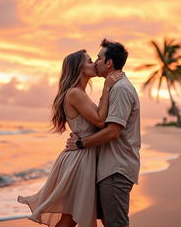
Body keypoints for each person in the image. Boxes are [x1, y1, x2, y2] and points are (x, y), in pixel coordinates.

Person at [17, 49, 122, 227]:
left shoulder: (81, 94)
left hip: (84, 156)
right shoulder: (74, 93)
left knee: (71, 217)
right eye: (90, 61)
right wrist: (107, 87)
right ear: (79, 68)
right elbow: (100, 120)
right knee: (72, 217)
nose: (95, 64)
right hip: (79, 160)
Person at [66, 39, 141, 227]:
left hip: (116, 169)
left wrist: (81, 142)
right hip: (108, 168)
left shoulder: (121, 89)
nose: (95, 63)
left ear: (109, 63)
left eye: (98, 58)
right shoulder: (113, 88)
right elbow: (102, 123)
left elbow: (112, 132)